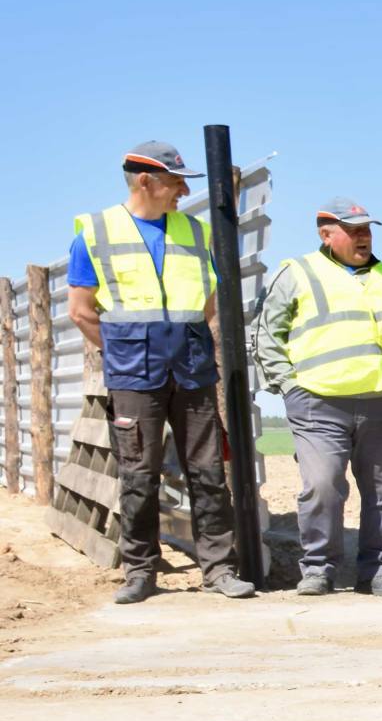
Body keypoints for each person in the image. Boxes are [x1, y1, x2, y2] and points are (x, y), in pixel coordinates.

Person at [68, 141, 255, 604]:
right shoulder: (95, 232)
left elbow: (207, 301)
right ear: (146, 181)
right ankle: (140, 572)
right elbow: (81, 311)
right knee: (139, 475)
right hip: (134, 375)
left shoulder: (193, 231)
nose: (183, 189)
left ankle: (218, 569)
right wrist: (127, 353)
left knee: (208, 472)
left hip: (191, 369)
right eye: (176, 181)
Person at [252, 199, 382, 597]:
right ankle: (318, 569)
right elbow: (268, 334)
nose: (363, 236)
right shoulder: (297, 273)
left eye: (367, 229)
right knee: (321, 485)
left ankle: (380, 571)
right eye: (353, 230)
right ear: (326, 234)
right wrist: (290, 387)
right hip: (318, 404)